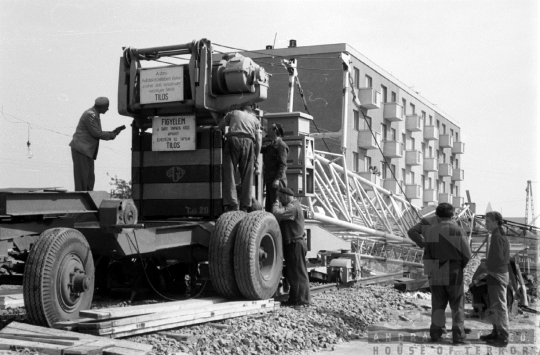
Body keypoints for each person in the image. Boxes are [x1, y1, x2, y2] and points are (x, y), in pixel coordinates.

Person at [423, 202, 471, 345]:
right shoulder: (457, 230)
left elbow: (427, 254)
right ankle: (458, 337)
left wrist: (430, 273)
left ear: (437, 215)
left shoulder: (430, 231)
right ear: (452, 215)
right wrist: (459, 266)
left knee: (438, 303)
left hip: (436, 268)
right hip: (454, 268)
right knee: (457, 304)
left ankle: (436, 334)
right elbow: (467, 253)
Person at [69, 97, 124, 191]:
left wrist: (112, 133)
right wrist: (112, 134)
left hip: (87, 151)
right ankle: (81, 200)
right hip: (81, 149)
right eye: (107, 107)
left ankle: (87, 199)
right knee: (82, 179)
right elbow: (97, 133)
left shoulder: (94, 114)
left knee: (89, 179)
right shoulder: (90, 115)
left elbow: (97, 132)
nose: (108, 109)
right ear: (101, 107)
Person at [272, 187, 310, 309]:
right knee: (293, 273)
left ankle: (303, 301)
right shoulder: (293, 205)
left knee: (299, 273)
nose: (281, 200)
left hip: (295, 243)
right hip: (292, 243)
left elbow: (276, 213)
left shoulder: (293, 207)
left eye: (281, 197)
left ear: (287, 196)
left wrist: (276, 201)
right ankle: (294, 299)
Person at [218, 105, 261, 212]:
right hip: (249, 142)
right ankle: (245, 205)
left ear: (241, 109)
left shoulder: (233, 113)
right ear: (250, 111)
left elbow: (220, 126)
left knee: (229, 172)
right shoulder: (254, 119)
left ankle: (232, 204)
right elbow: (259, 140)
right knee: (247, 175)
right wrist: (256, 158)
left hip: (233, 140)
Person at [480, 211, 510, 347]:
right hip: (497, 273)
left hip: (497, 274)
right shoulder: (499, 234)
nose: (486, 224)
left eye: (487, 221)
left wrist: (487, 264)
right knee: (495, 305)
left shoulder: (497, 236)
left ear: (495, 221)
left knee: (499, 305)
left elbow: (498, 258)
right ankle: (496, 332)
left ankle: (503, 336)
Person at [261, 123, 289, 212]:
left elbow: (282, 164)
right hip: (270, 180)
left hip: (277, 181)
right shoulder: (272, 145)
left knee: (276, 206)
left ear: (275, 130)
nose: (267, 130)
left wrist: (277, 179)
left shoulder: (281, 145)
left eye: (269, 129)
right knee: (270, 206)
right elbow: (261, 149)